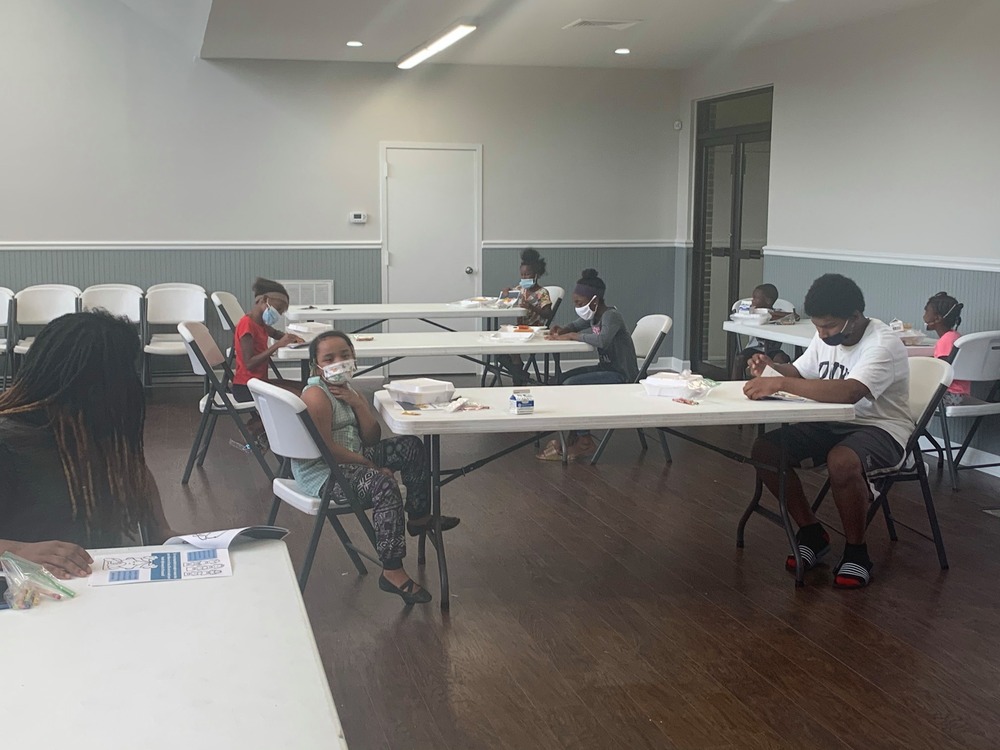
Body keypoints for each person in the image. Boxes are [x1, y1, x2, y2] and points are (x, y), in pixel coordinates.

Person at [743, 273, 913, 589]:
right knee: (765, 451)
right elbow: (801, 373)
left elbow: (850, 392)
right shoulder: (824, 337)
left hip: (881, 427)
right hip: (831, 422)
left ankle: (856, 552)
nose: (822, 334)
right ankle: (811, 532)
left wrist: (779, 382)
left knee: (842, 461)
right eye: (818, 326)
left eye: (830, 327)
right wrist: (771, 368)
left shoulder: (882, 343)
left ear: (856, 317)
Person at [0, 311, 172, 580]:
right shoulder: (7, 443)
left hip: (100, 588)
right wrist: (14, 551)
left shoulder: (104, 437)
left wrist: (173, 537)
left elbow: (158, 527)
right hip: (29, 597)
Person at [292, 331, 460, 605]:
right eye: (329, 358)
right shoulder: (316, 395)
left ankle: (418, 517)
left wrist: (358, 403)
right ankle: (392, 570)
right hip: (325, 471)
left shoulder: (349, 390)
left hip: (353, 456)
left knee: (411, 447)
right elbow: (326, 450)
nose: (339, 362)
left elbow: (371, 437)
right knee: (384, 485)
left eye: (345, 355)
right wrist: (369, 465)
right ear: (316, 365)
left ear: (354, 358)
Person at [538, 269, 638, 462]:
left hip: (622, 375)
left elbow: (603, 340)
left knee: (572, 385)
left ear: (594, 300)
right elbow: (576, 325)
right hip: (606, 369)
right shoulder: (592, 316)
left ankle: (585, 441)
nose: (577, 307)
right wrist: (563, 330)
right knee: (561, 379)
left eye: (579, 303)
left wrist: (573, 336)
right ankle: (572, 434)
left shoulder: (611, 316)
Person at [230, 277, 303, 403]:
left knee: (304, 387)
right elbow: (249, 363)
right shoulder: (246, 324)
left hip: (259, 382)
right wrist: (278, 345)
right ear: (264, 300)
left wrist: (293, 338)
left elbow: (274, 333)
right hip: (246, 387)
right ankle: (260, 422)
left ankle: (258, 422)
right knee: (298, 396)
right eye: (278, 309)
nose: (278, 314)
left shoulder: (260, 323)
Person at [497, 248, 553, 385]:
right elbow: (508, 300)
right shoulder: (520, 289)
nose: (525, 278)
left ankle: (519, 378)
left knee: (512, 347)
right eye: (522, 275)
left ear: (536, 275)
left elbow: (547, 313)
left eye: (528, 275)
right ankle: (522, 375)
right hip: (520, 328)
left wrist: (532, 307)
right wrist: (506, 294)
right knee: (498, 348)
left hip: (535, 330)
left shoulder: (542, 293)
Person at [730, 283, 793, 380]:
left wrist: (770, 314)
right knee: (739, 359)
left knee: (781, 359)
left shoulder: (777, 313)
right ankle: (733, 385)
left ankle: (776, 386)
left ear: (768, 301)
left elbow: (794, 316)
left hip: (773, 349)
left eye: (755, 298)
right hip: (754, 348)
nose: (752, 301)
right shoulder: (752, 313)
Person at [923, 291, 970, 406]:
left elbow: (941, 370)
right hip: (959, 395)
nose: (924, 315)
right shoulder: (955, 336)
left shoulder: (945, 340)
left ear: (937, 318)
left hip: (948, 395)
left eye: (926, 311)